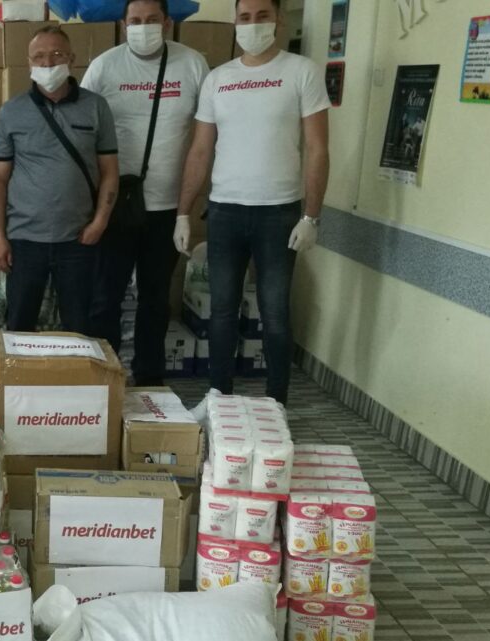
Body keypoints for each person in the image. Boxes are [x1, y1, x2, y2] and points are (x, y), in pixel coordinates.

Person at [175, 0, 330, 405]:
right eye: (244, 17)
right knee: (222, 311)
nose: (253, 24)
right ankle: (218, 397)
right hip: (224, 211)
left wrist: (311, 217)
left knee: (274, 313)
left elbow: (317, 148)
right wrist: (183, 212)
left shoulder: (301, 71)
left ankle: (276, 402)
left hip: (279, 213)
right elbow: (200, 150)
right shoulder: (218, 79)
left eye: (262, 16)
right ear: (235, 22)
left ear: (278, 20)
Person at [83, 0, 209, 385]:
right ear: (123, 24)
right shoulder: (104, 67)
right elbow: (82, 130)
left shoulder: (193, 65)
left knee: (155, 300)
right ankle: (102, 381)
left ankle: (150, 380)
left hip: (168, 208)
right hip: (115, 205)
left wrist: (188, 211)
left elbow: (208, 133)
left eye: (151, 20)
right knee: (105, 298)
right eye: (135, 20)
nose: (143, 27)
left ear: (167, 22)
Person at [0, 26, 119, 334]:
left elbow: (110, 171)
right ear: (29, 62)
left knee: (79, 327)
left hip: (78, 239)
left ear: (72, 59)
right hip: (24, 241)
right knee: (19, 326)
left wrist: (99, 223)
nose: (47, 63)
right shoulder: (12, 112)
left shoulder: (96, 107)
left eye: (57, 54)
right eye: (39, 56)